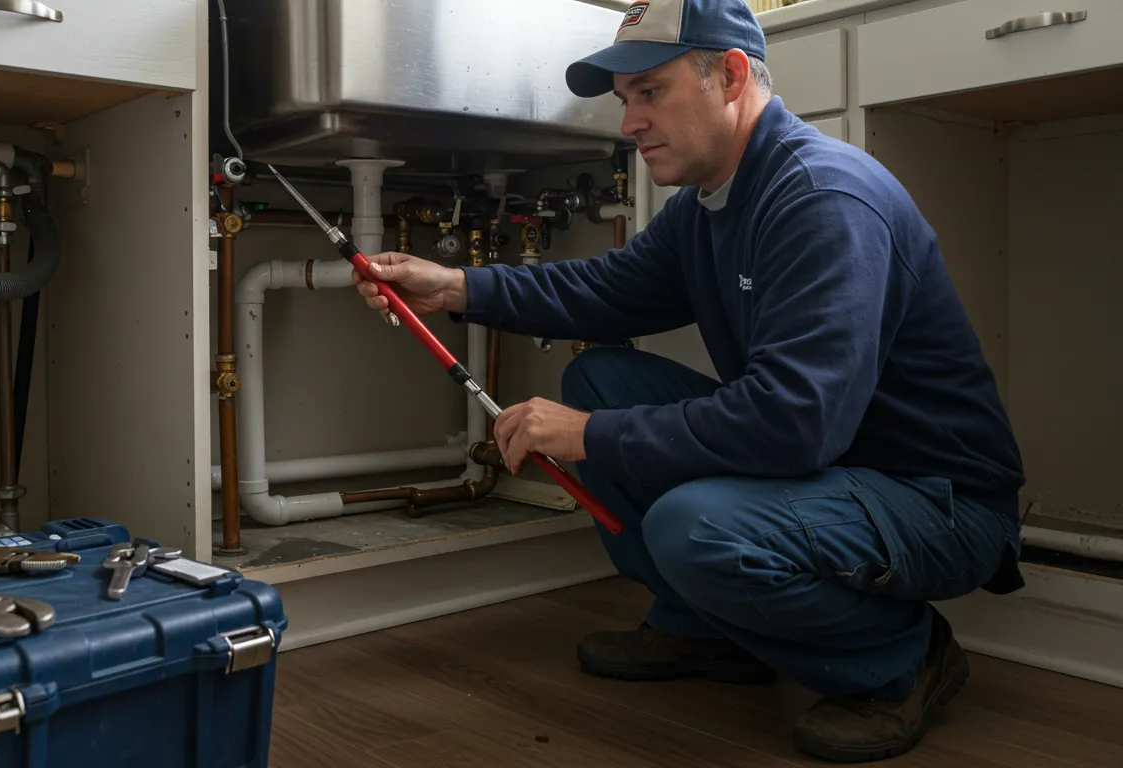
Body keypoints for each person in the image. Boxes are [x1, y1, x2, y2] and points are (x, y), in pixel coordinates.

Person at [352, 0, 1026, 762]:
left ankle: (901, 660)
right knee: (601, 377)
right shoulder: (710, 203)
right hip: (837, 470)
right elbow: (605, 291)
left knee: (693, 524)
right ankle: (710, 631)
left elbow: (796, 422)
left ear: (730, 76)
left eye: (652, 92)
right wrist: (456, 287)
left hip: (936, 500)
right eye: (625, 101)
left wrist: (588, 437)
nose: (630, 122)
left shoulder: (820, 199)